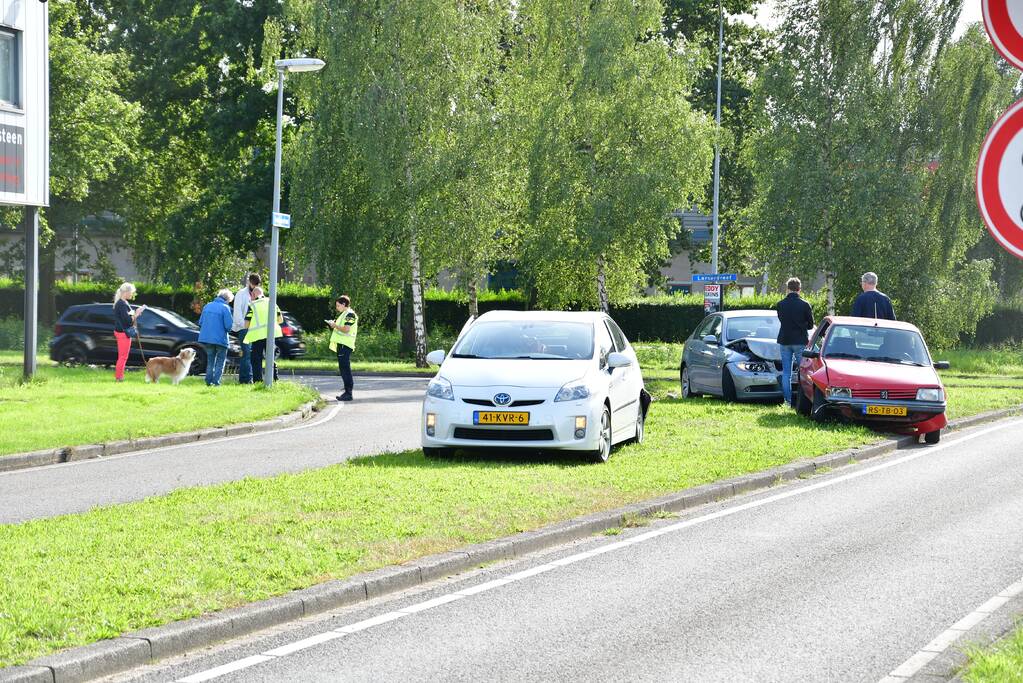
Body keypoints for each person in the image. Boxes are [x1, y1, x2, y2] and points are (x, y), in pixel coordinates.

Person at [775, 277, 816, 407]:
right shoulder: (805, 304)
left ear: (788, 288)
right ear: (799, 289)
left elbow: (782, 320)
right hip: (800, 341)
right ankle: (804, 402)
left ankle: (787, 402)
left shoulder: (780, 304)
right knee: (804, 372)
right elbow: (810, 325)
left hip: (785, 340)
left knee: (786, 373)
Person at [244, 286, 283, 384]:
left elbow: (246, 324)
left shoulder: (252, 305)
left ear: (253, 295)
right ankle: (274, 379)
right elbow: (280, 320)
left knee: (256, 359)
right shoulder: (272, 302)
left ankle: (258, 381)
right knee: (270, 357)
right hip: (272, 334)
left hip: (258, 335)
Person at [198, 289, 235, 386]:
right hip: (221, 339)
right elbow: (228, 326)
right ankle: (216, 382)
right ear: (227, 299)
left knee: (210, 360)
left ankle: (208, 381)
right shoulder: (225, 308)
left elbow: (200, 322)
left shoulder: (207, 306)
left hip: (208, 339)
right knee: (220, 361)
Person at [327, 295, 359, 401]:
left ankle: (348, 393)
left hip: (345, 345)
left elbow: (346, 329)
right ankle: (347, 390)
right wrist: (334, 325)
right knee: (343, 368)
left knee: (345, 369)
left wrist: (335, 325)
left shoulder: (350, 314)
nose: (337, 308)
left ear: (343, 304)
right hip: (342, 345)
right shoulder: (344, 314)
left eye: (338, 305)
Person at [112, 282, 145, 382]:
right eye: (131, 292)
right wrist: (137, 314)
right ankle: (119, 378)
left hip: (123, 332)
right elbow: (128, 320)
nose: (132, 294)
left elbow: (128, 317)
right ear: (125, 292)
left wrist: (135, 313)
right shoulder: (121, 304)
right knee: (123, 357)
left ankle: (119, 377)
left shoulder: (123, 302)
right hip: (123, 333)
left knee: (123, 356)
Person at [232, 273, 261, 384]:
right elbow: (238, 311)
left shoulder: (257, 293)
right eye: (253, 284)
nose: (254, 286)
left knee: (251, 354)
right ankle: (245, 379)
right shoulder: (241, 294)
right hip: (244, 328)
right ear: (249, 282)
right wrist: (242, 326)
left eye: (256, 285)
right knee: (247, 354)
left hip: (254, 329)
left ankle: (249, 378)